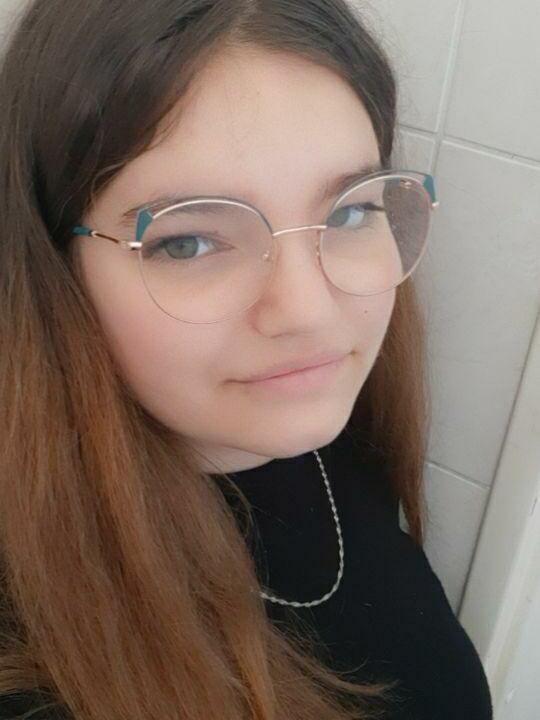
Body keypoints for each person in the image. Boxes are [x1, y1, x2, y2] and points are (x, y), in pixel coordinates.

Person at [0, 1, 493, 719]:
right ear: (52, 266)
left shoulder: (332, 435)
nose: (308, 311)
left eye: (349, 212)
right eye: (189, 242)